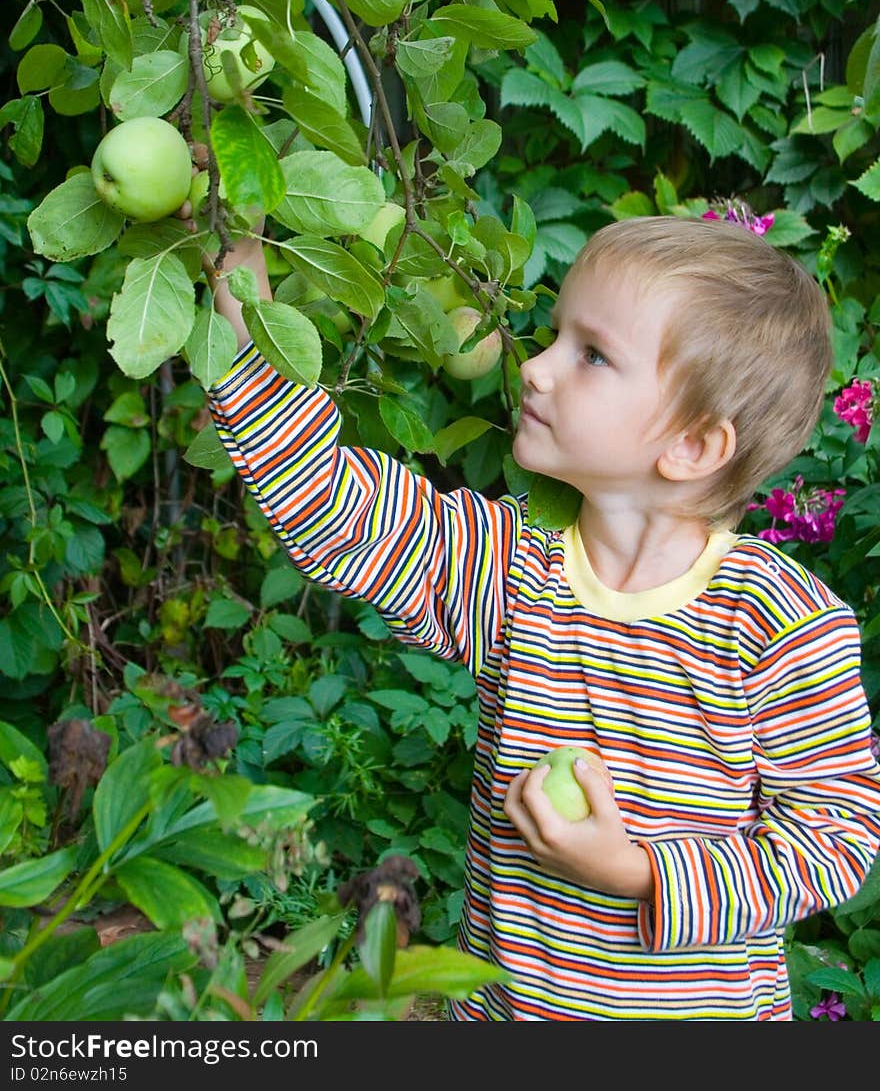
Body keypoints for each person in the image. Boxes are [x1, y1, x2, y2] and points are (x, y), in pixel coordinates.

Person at [203, 211, 880, 1020]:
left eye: (592, 354)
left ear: (694, 447)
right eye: (557, 334)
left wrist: (637, 874)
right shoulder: (513, 569)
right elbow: (336, 507)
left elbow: (836, 838)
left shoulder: (782, 624)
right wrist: (239, 294)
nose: (536, 367)